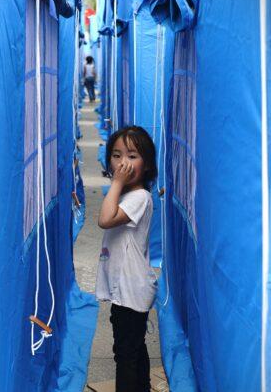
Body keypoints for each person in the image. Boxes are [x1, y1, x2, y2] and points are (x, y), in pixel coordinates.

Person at [95, 126, 158, 392]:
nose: (123, 163)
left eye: (132, 156)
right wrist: (117, 187)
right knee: (133, 348)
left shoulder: (139, 197)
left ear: (147, 164)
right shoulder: (126, 196)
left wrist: (116, 182)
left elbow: (105, 220)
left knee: (125, 354)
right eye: (117, 155)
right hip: (128, 290)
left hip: (131, 291)